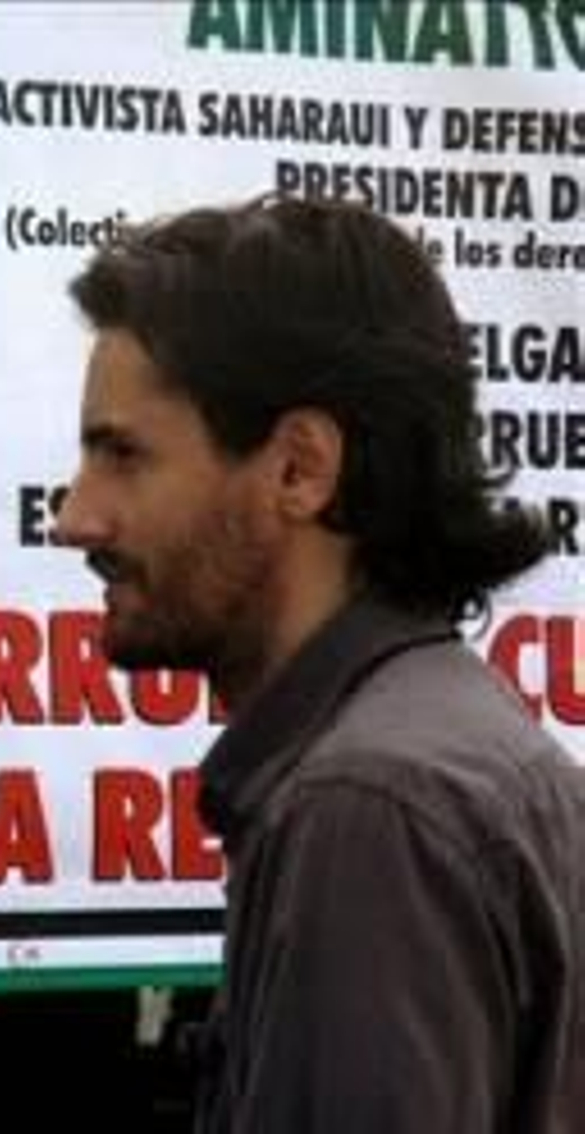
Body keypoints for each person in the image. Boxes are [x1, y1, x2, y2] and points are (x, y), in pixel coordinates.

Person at [51, 194, 584, 1131]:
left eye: (123, 456)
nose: (75, 518)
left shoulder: (368, 807)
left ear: (300, 468)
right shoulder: (437, 750)